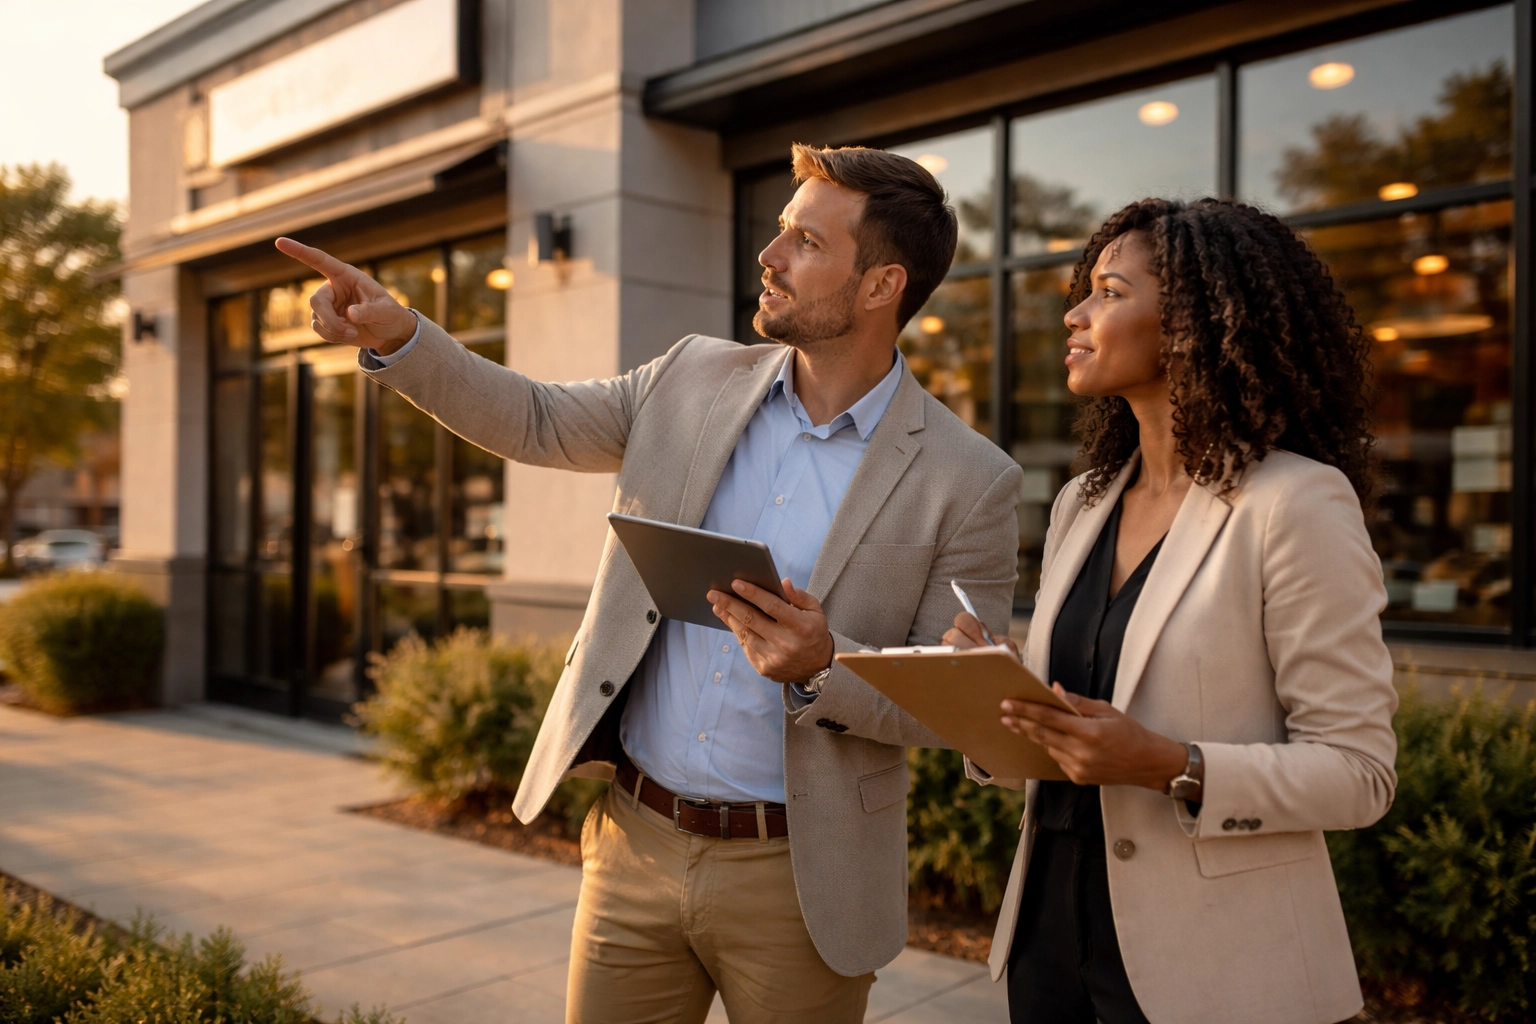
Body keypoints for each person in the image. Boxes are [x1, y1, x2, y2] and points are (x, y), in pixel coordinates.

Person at [275, 143, 1023, 1024]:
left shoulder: (969, 479)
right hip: (635, 843)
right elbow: (537, 419)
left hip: (802, 881)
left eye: (807, 243)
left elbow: (956, 703)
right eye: (780, 231)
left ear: (879, 286)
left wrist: (827, 665)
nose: (769, 256)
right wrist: (399, 334)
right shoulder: (691, 376)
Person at [945, 197, 1399, 1024]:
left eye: (1110, 292)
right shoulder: (1083, 504)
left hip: (1217, 967)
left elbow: (1360, 774)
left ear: (1191, 322)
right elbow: (1061, 749)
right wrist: (995, 700)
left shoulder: (1293, 502)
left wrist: (1169, 763)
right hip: (1047, 937)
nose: (1076, 313)